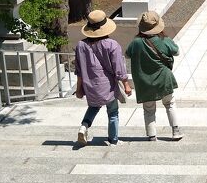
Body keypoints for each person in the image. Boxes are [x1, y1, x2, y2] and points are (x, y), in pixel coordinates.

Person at [75, 10, 132, 146]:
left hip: (89, 84)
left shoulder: (81, 45)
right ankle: (114, 139)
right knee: (113, 112)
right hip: (107, 85)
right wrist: (126, 84)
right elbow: (119, 68)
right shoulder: (112, 45)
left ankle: (84, 126)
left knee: (94, 107)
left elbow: (79, 71)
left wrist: (79, 89)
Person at [125, 11, 182, 141]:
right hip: (164, 78)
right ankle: (176, 131)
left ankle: (151, 135)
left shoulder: (136, 42)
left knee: (149, 108)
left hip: (144, 81)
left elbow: (127, 55)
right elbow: (177, 51)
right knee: (170, 103)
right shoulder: (164, 40)